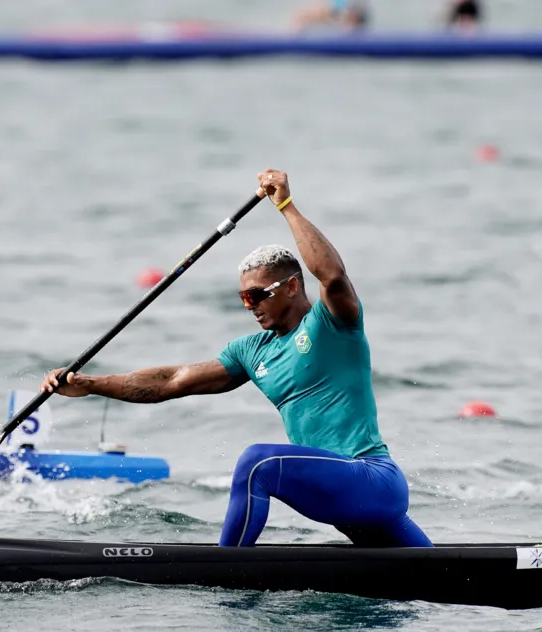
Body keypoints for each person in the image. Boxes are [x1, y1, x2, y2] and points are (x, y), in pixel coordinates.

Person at [41, 169, 433, 548]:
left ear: (292, 286)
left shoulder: (332, 322)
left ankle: (226, 569)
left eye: (257, 295)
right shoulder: (251, 351)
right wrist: (89, 384)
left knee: (257, 464)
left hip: (372, 481)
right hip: (341, 502)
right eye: (244, 297)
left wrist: (287, 207)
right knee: (443, 577)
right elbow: (170, 381)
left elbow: (332, 275)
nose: (250, 306)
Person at [291, 0, 369, 33]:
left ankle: (293, 34)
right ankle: (293, 33)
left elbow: (356, 11)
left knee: (307, 14)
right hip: (343, 17)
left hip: (351, 19)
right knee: (303, 15)